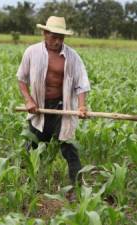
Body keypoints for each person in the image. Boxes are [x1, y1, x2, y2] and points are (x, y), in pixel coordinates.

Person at [16, 16, 90, 190]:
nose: (57, 41)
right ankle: (22, 183)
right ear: (44, 33)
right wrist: (28, 100)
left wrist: (81, 106)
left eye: (61, 38)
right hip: (39, 108)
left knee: (68, 146)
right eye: (53, 37)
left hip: (62, 108)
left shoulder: (72, 57)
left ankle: (78, 186)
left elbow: (82, 83)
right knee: (31, 144)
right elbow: (21, 78)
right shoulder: (32, 52)